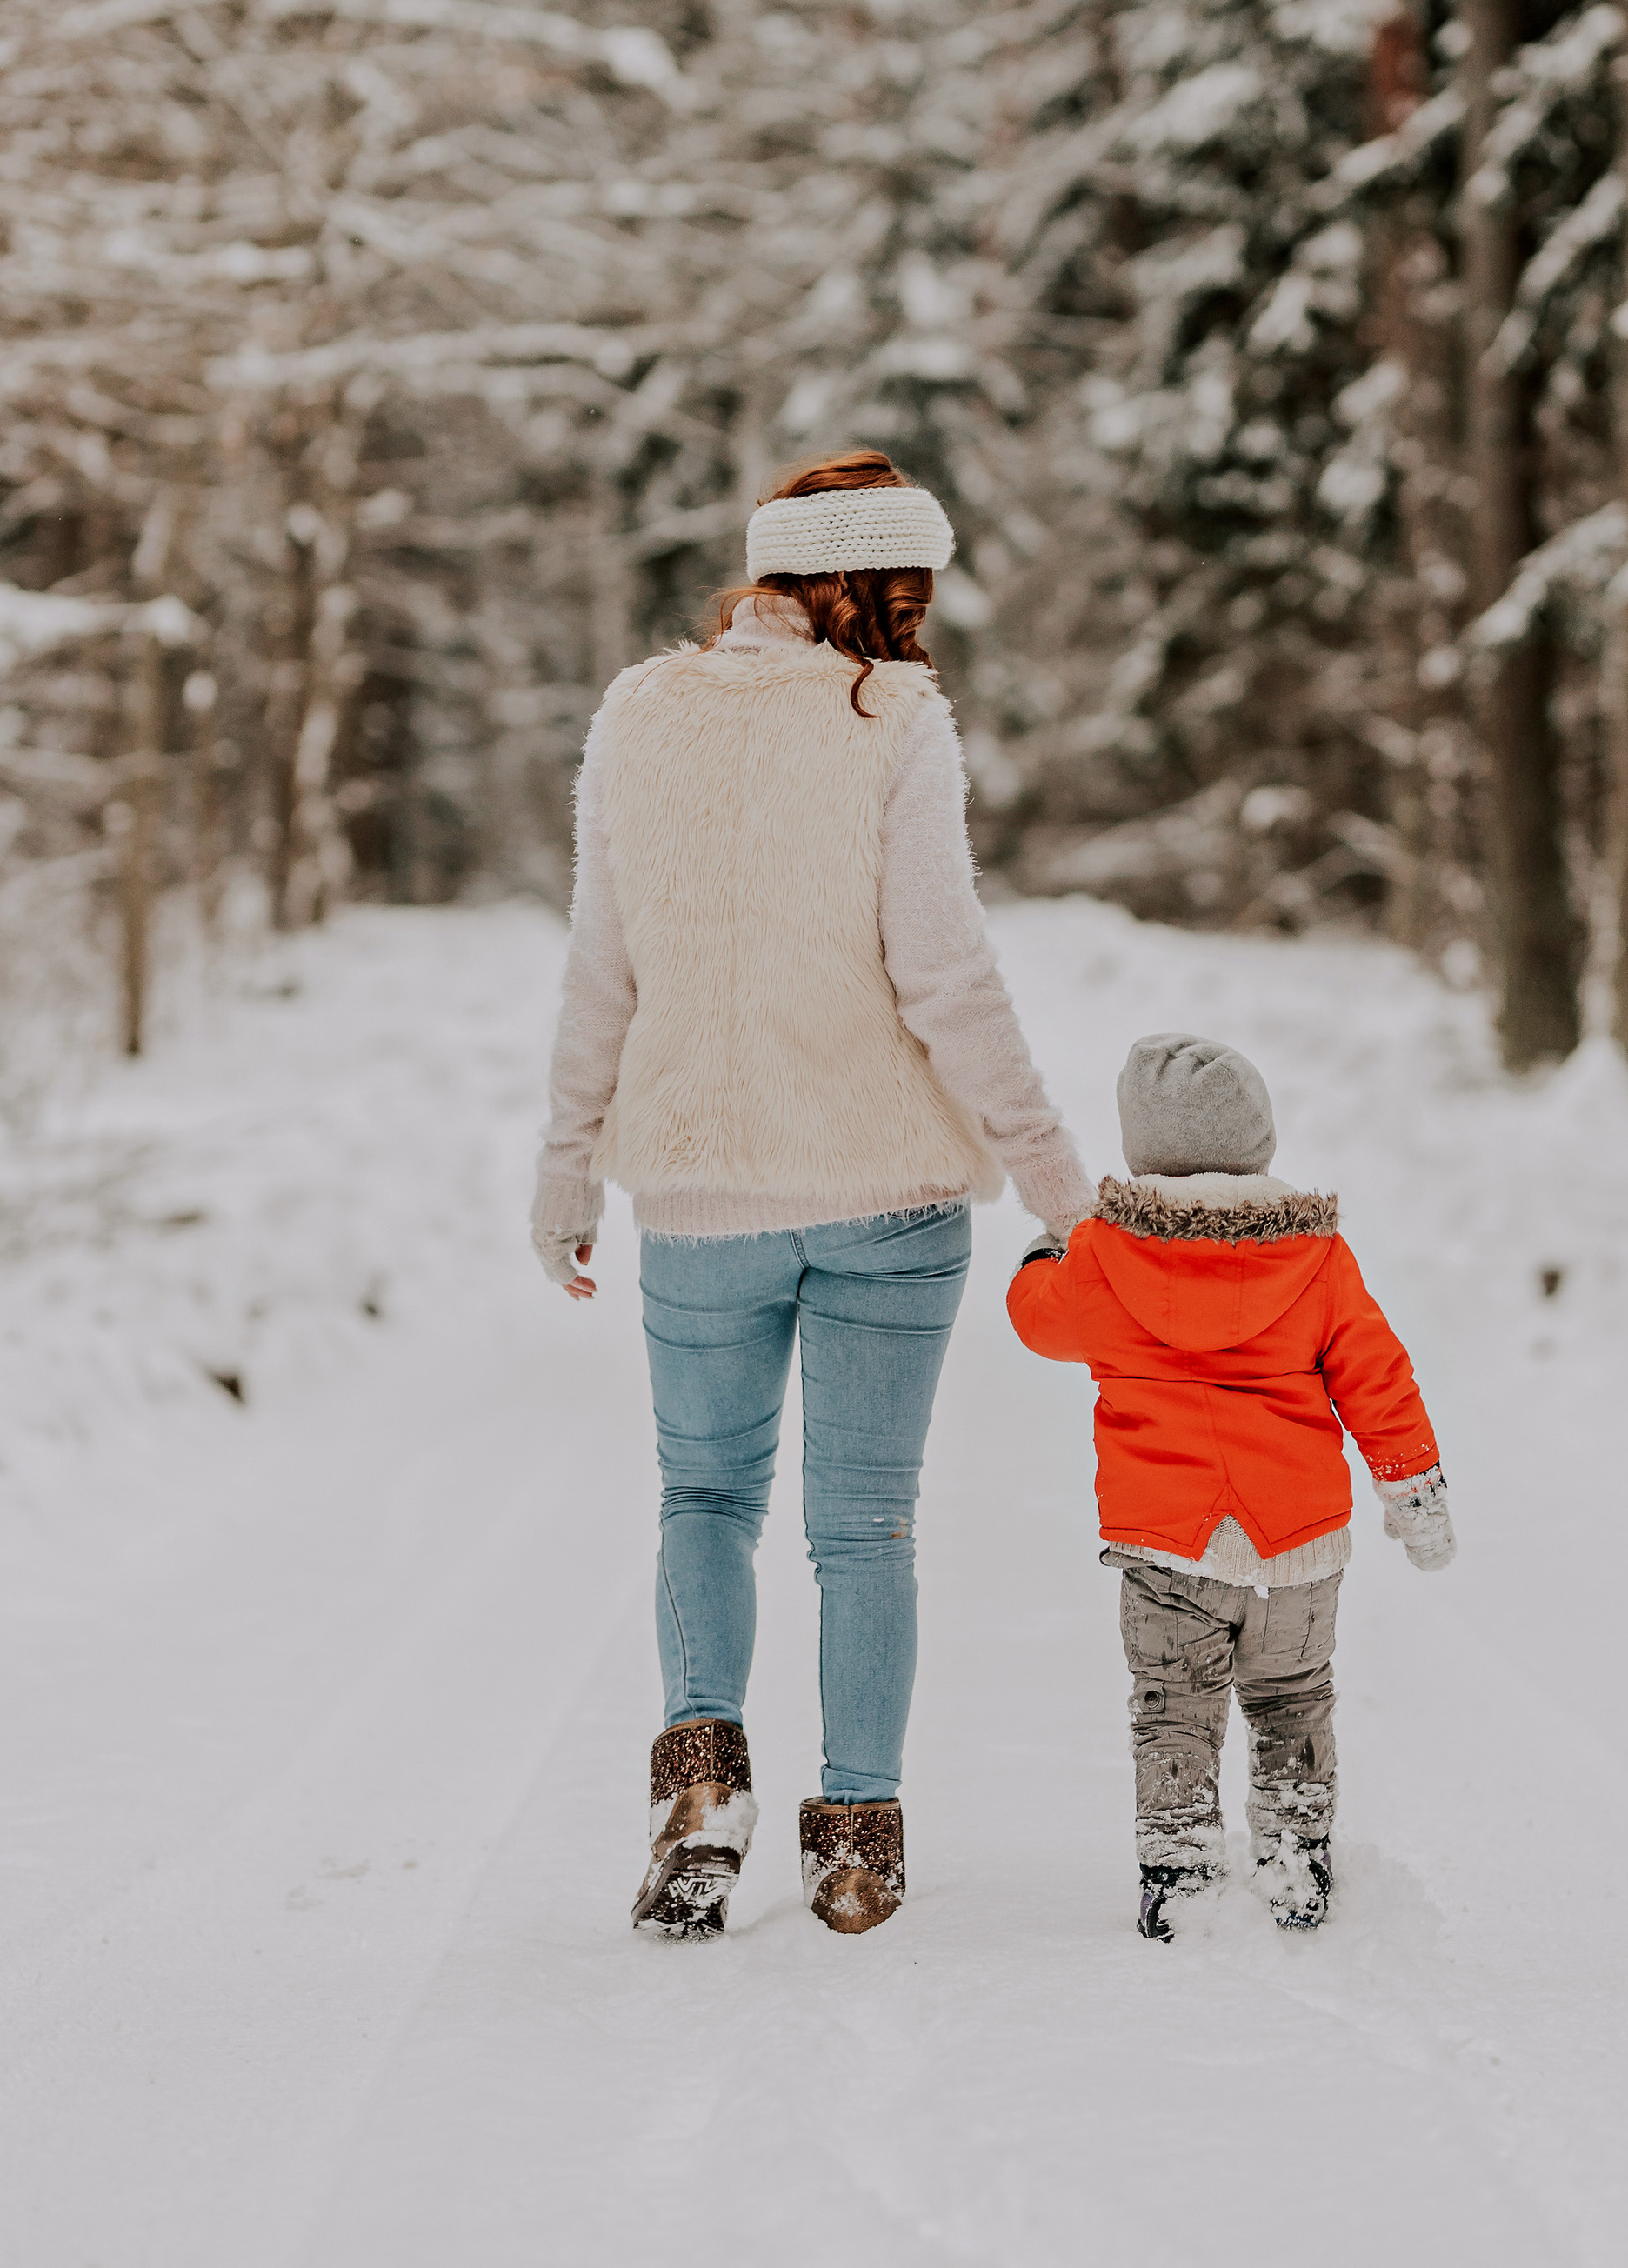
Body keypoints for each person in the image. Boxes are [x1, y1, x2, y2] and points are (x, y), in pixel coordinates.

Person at [530, 450, 1091, 1938]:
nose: (918, 622)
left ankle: (700, 1787)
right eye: (909, 590)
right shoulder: (894, 718)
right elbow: (945, 975)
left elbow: (603, 967)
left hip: (698, 1187)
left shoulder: (635, 714)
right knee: (866, 1524)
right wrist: (1060, 1186)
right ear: (860, 583)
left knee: (704, 1496)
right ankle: (858, 1838)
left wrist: (568, 1164)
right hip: (887, 1191)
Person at [1008, 1031, 1454, 1939]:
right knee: (1292, 1698)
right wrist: (1415, 1494)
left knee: (1174, 1707)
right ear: (1259, 1142)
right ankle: (1295, 1858)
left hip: (1166, 1545)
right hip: (1296, 1547)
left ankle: (1178, 1865)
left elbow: (1038, 1324)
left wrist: (1041, 1255)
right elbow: (1378, 1376)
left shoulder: (1101, 1253)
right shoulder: (1317, 1258)